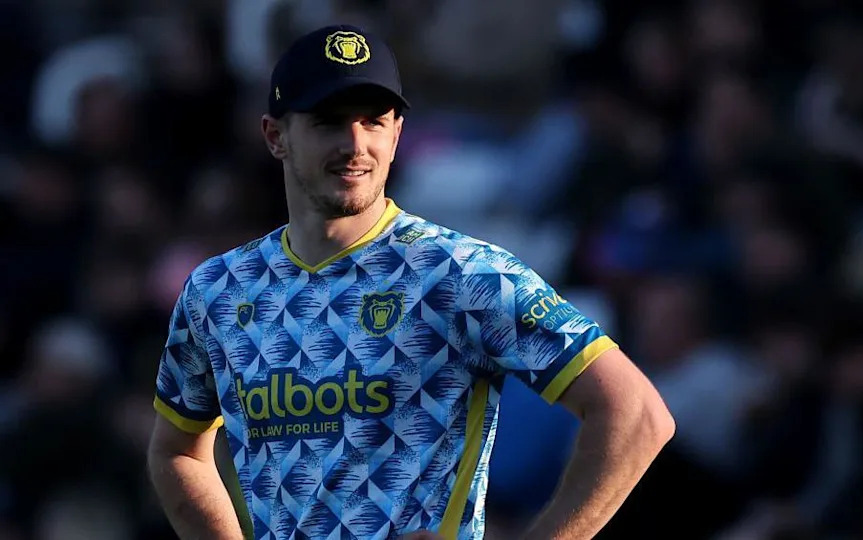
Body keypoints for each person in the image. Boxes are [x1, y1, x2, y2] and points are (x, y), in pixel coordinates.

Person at [147, 24, 675, 540]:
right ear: (275, 136)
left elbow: (636, 414)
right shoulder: (219, 289)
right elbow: (176, 450)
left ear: (397, 134)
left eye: (374, 121)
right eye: (329, 122)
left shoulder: (461, 273)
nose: (355, 143)